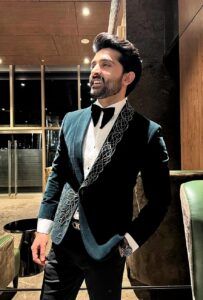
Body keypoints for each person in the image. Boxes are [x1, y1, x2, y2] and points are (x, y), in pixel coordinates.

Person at [31, 32, 171, 300]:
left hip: (107, 248)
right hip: (62, 242)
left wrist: (127, 244)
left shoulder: (147, 132)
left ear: (127, 77)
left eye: (106, 64)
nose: (95, 70)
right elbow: (58, 177)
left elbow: (160, 200)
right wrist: (42, 229)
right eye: (93, 64)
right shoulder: (71, 121)